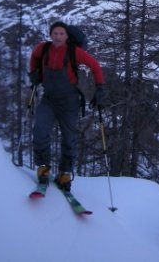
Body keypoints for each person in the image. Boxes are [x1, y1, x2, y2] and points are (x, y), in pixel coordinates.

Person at [28, 21, 105, 192]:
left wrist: (99, 89)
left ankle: (64, 174)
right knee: (40, 131)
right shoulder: (43, 49)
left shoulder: (74, 52)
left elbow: (95, 66)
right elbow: (34, 57)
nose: (58, 37)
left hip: (69, 101)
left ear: (66, 36)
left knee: (69, 138)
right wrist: (33, 73)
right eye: (55, 33)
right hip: (49, 99)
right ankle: (43, 168)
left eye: (61, 34)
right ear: (50, 35)